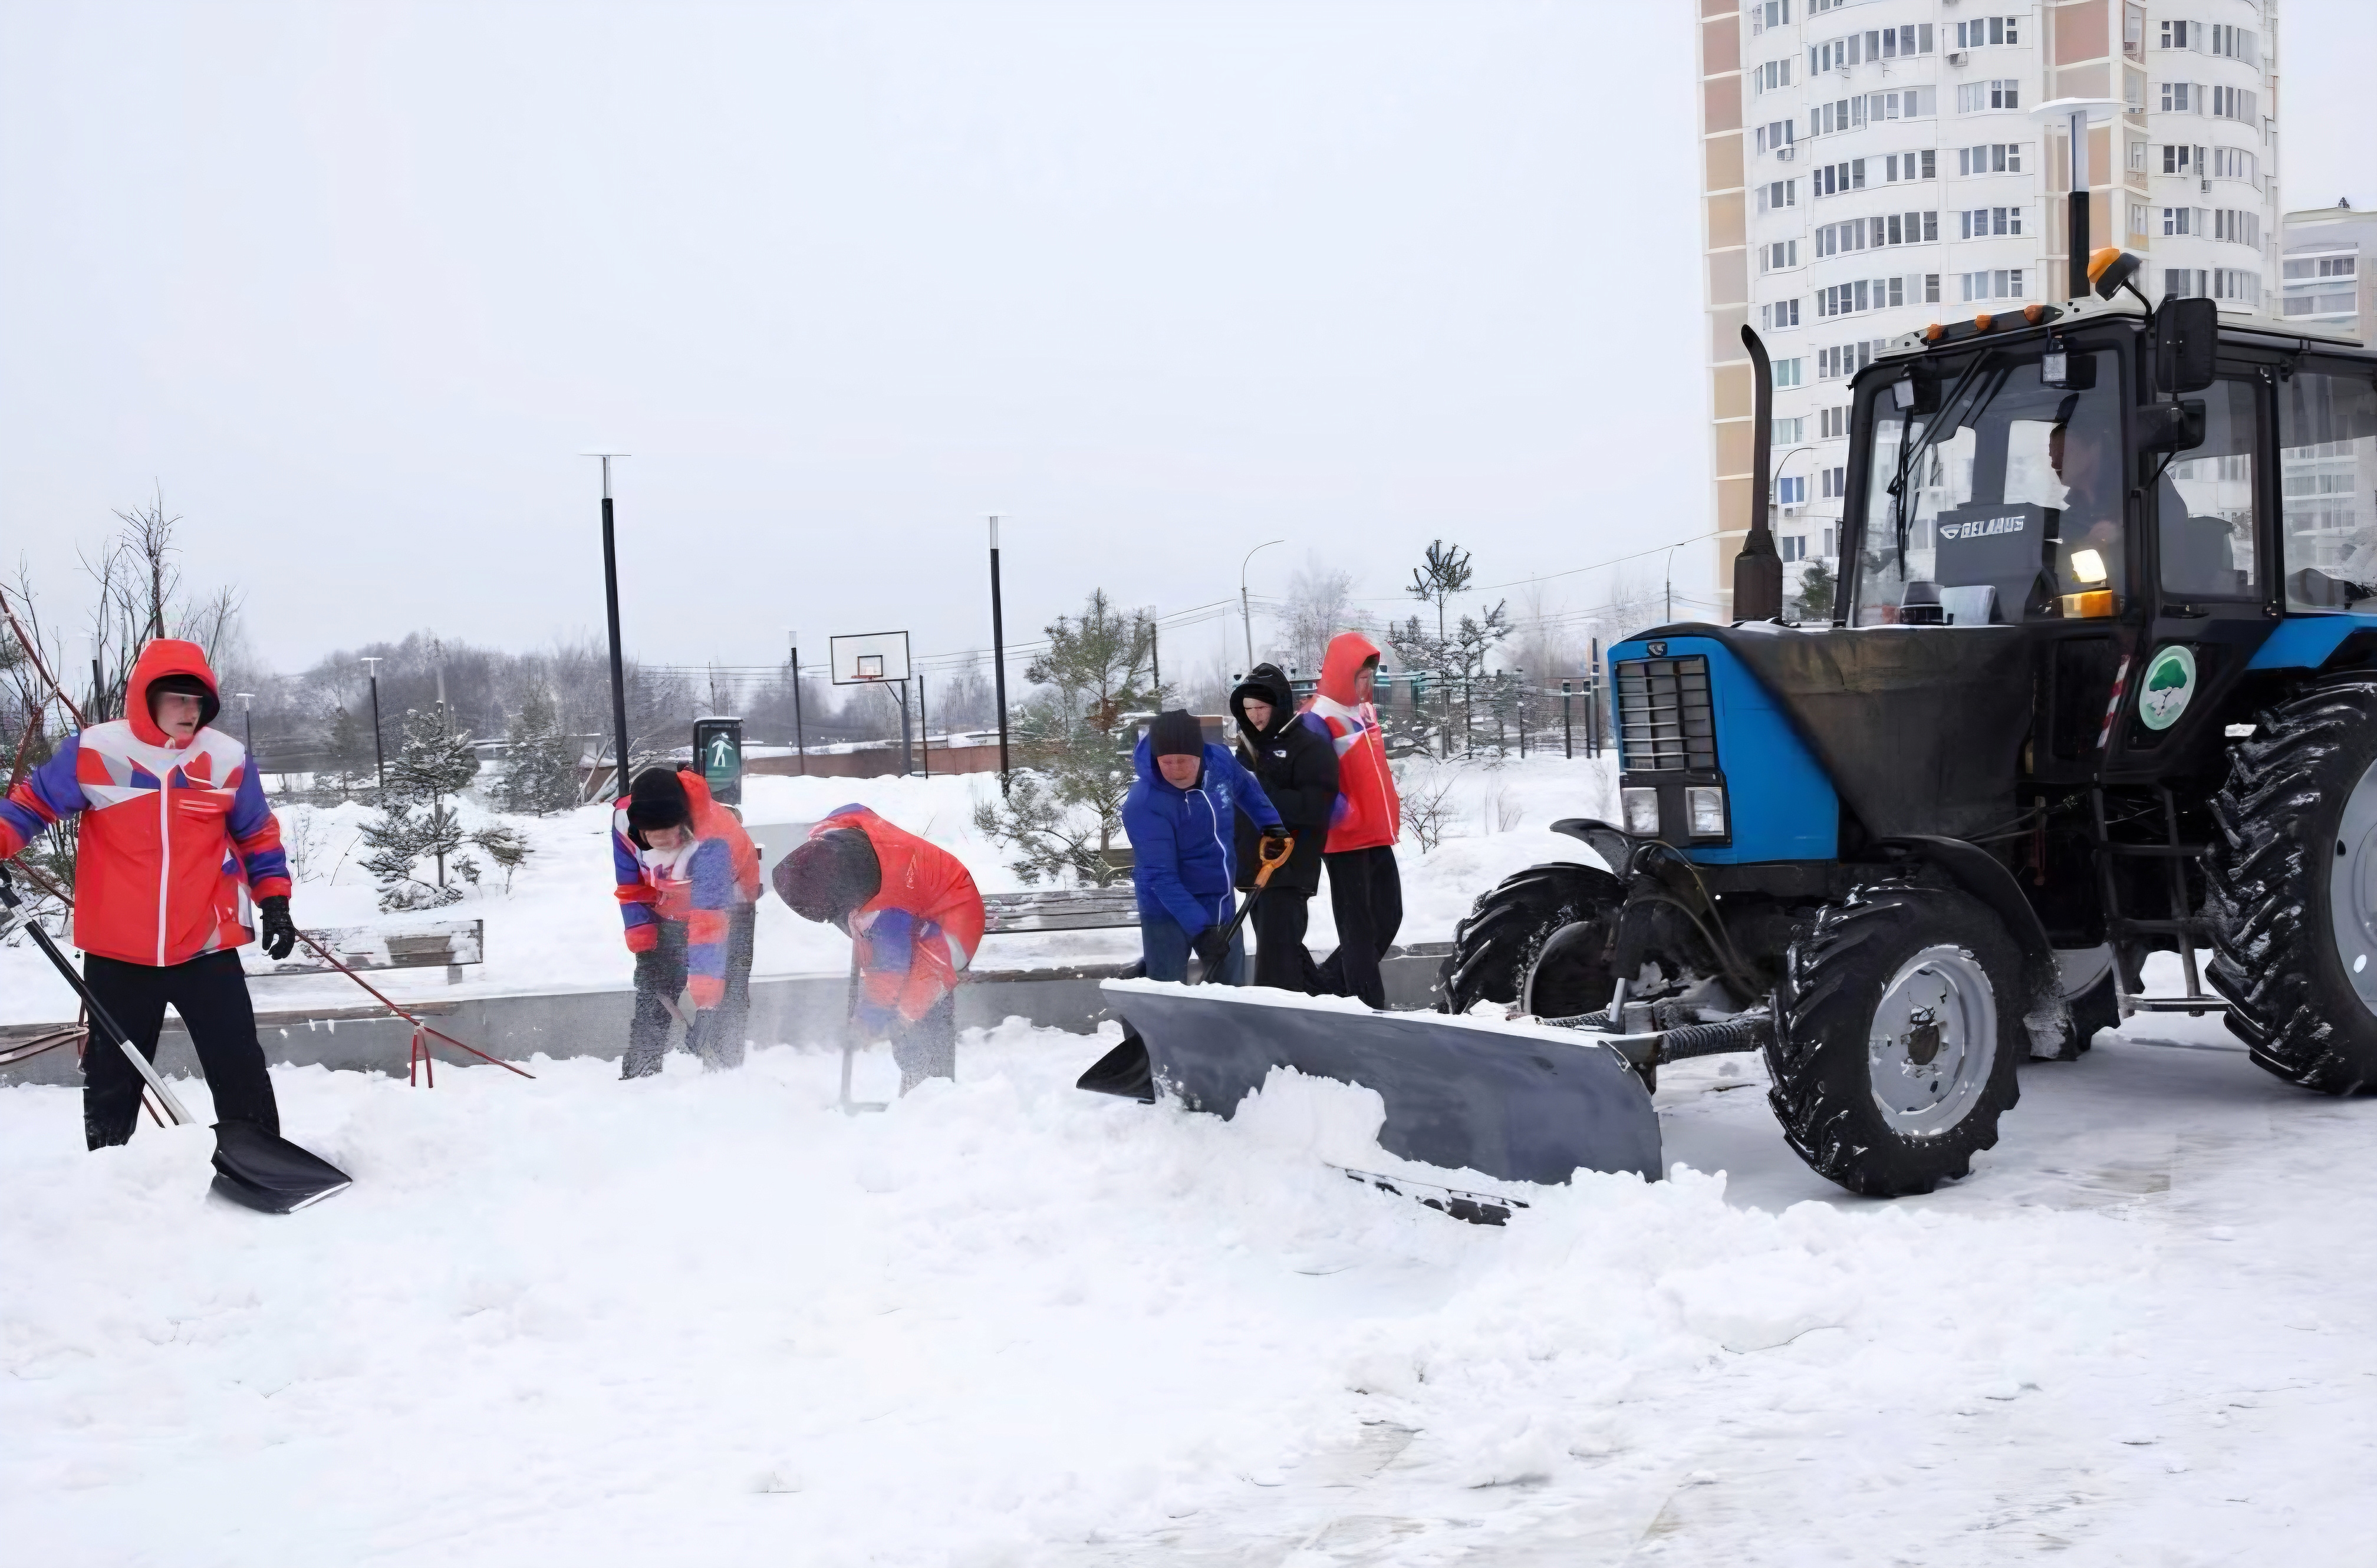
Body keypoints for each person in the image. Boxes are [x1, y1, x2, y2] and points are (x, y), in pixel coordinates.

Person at [0, 639, 297, 1149]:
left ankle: (262, 1160)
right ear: (148, 697)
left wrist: (274, 899)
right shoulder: (96, 750)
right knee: (114, 1073)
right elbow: (29, 807)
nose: (190, 711)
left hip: (205, 943)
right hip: (120, 949)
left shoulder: (226, 759)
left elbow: (256, 835)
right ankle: (111, 1169)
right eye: (178, 698)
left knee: (238, 1061)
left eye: (199, 701)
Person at [774, 803, 985, 1092]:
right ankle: (918, 1077)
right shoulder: (838, 846)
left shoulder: (888, 909)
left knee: (913, 1011)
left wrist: (868, 1022)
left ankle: (930, 1087)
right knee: (896, 1000)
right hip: (914, 910)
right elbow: (854, 809)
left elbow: (889, 968)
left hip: (954, 921)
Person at [613, 765, 761, 1077]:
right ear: (638, 831)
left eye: (671, 838)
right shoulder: (622, 823)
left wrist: (706, 1006)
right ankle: (641, 1071)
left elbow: (709, 923)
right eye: (656, 841)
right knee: (654, 988)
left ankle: (726, 1069)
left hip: (728, 909)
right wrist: (642, 930)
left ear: (684, 825)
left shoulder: (713, 841)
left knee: (727, 991)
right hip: (666, 904)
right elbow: (630, 881)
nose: (664, 846)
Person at [1122, 709, 1285, 986]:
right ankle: (1150, 1022)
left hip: (1219, 898)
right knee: (1166, 989)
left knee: (1230, 990)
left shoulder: (1219, 763)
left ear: (1200, 755)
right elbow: (1160, 877)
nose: (1175, 769)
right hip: (1166, 908)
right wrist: (1200, 932)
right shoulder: (1144, 802)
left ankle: (1226, 1028)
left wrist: (1271, 824)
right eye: (1167, 761)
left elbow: (1246, 787)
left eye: (1183, 760)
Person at [1309, 632, 1404, 1009]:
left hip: (1376, 834)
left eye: (1370, 677)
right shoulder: (1318, 717)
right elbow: (1314, 782)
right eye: (1360, 677)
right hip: (1345, 841)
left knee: (1389, 916)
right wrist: (1341, 813)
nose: (1367, 685)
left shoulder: (1364, 712)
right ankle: (1368, 1006)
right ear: (1340, 673)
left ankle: (1325, 985)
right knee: (1358, 930)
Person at [1229, 664, 1337, 992]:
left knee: (1276, 963)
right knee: (1277, 951)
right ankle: (1314, 1003)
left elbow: (1317, 806)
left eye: (1261, 708)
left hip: (1287, 868)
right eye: (1248, 710)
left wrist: (1261, 795)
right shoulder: (1248, 748)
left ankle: (1279, 1027)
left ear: (1279, 705)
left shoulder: (1308, 744)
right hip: (1255, 870)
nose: (1255, 717)